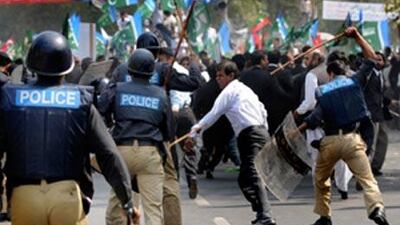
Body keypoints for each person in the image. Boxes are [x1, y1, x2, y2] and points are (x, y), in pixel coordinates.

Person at [0, 31, 135, 225]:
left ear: (31, 65)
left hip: (24, 198)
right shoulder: (81, 102)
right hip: (67, 197)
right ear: (67, 68)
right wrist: (127, 201)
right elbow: (108, 154)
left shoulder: (9, 99)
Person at [297, 27, 390, 225]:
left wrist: (296, 131)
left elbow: (314, 118)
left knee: (321, 179)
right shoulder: (354, 81)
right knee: (367, 179)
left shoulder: (323, 91)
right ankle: (377, 208)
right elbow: (373, 58)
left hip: (329, 142)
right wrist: (356, 36)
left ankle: (325, 216)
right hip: (352, 140)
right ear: (344, 70)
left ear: (330, 73)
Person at [190, 61, 276, 225]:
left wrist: (196, 129)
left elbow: (214, 113)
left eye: (221, 75)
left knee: (252, 174)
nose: (218, 79)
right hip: (258, 133)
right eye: (216, 76)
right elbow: (262, 110)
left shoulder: (230, 91)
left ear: (231, 76)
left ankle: (265, 215)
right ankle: (261, 213)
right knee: (244, 179)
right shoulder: (246, 90)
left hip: (251, 134)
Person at [98, 48, 174, 225]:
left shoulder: (117, 89)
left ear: (129, 69)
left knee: (117, 207)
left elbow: (101, 112)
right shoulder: (161, 95)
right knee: (153, 210)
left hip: (121, 153)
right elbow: (169, 131)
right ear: (151, 72)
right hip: (149, 154)